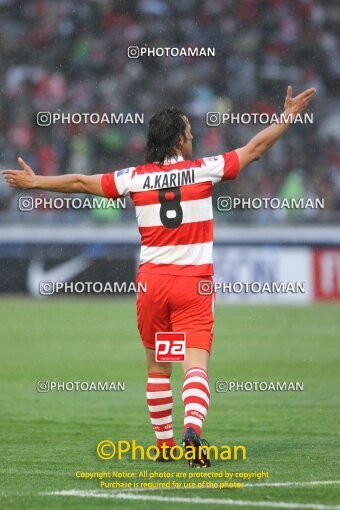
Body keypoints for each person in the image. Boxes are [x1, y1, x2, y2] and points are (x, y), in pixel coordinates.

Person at [2, 86, 316, 467]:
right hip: (192, 286)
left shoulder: (133, 178)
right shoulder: (203, 170)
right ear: (179, 139)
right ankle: (192, 432)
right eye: (189, 131)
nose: (194, 136)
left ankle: (165, 445)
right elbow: (255, 149)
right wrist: (286, 117)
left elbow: (82, 183)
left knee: (158, 367)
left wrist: (36, 183)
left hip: (153, 285)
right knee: (195, 364)